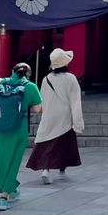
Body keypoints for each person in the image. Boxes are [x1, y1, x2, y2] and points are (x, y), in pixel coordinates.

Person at [0, 62, 42, 211]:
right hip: (17, 130)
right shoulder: (30, 87)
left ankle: (11, 189)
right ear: (28, 74)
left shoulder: (0, 83)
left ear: (13, 71)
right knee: (12, 162)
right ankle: (4, 197)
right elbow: (38, 109)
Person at [27, 48, 84, 184]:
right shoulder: (71, 78)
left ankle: (45, 169)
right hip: (64, 114)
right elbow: (75, 101)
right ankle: (62, 168)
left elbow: (43, 98)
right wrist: (78, 122)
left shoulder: (46, 79)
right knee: (64, 142)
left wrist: (43, 112)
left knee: (48, 141)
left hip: (50, 114)